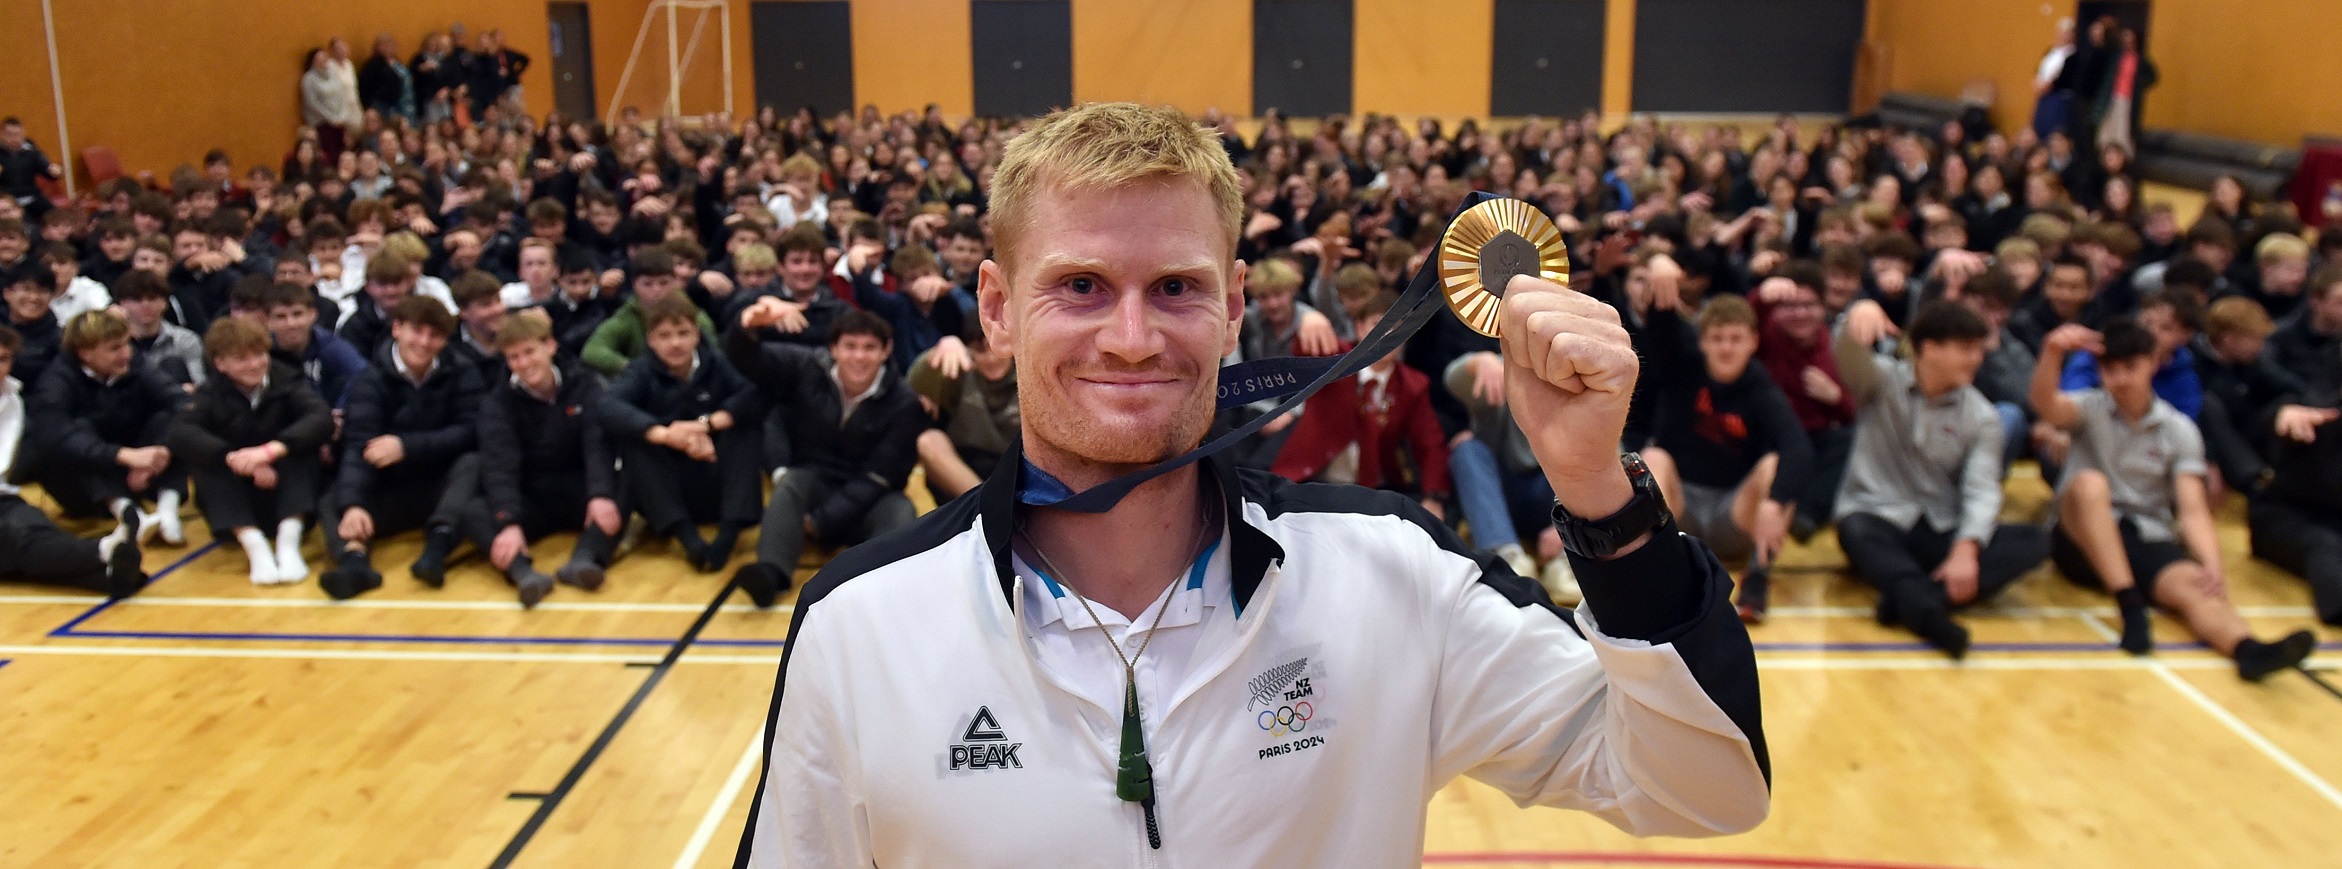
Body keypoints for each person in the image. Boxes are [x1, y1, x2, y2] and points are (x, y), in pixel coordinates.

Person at [734, 102, 1765, 866]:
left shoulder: (1390, 575)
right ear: (996, 310)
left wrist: (1594, 485)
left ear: (1234, 309)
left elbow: (1705, 785)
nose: (1131, 339)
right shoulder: (858, 625)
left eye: (1175, 287)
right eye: (1080, 285)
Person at [2033, 318, 2315, 680]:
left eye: (2130, 368)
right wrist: (2053, 353)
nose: (2119, 380)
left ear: (2153, 362)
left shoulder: (2178, 429)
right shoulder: (2088, 408)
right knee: (2089, 485)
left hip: (2144, 536)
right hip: (2081, 540)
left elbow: (2192, 508)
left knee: (2196, 586)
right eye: (2110, 370)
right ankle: (2130, 605)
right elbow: (2045, 403)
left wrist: (2211, 563)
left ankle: (2248, 650)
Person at [1832, 299, 2050, 657]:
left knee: (2035, 540)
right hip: (1880, 516)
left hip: (1938, 527)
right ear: (1929, 348)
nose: (1976, 359)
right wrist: (1858, 312)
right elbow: (1847, 354)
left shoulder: (1982, 416)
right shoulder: (1880, 382)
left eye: (1978, 349)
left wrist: (1967, 548)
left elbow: (1982, 491)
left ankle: (1908, 598)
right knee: (1855, 528)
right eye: (1966, 349)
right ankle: (1931, 610)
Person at [724, 304, 921, 605]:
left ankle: (881, 587)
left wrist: (822, 521)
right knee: (790, 483)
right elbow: (748, 358)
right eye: (850, 346)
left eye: (869, 348)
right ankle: (771, 572)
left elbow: (882, 474)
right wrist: (746, 324)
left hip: (872, 493)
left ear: (886, 351)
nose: (859, 356)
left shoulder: (904, 400)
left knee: (901, 512)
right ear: (833, 349)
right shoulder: (806, 367)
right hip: (816, 480)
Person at [1639, 292, 1809, 621]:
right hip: (1681, 512)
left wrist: (1776, 500)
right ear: (1702, 342)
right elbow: (1661, 331)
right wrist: (1662, 276)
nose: (1726, 348)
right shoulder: (1683, 368)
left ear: (1753, 342)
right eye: (1717, 338)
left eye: (1735, 339)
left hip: (1733, 514)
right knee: (1654, 456)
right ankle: (1654, 578)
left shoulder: (1760, 386)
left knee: (1776, 467)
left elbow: (1798, 446)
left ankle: (1756, 579)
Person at [319, 297, 486, 600]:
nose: (424, 342)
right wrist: (353, 505)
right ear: (397, 329)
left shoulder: (463, 371)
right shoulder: (369, 380)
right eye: (417, 332)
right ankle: (355, 563)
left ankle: (436, 552)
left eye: (434, 335)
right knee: (333, 499)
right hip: (390, 485)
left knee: (473, 465)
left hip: (441, 485)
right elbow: (358, 445)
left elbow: (471, 431)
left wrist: (407, 446)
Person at [457, 314, 622, 607]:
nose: (524, 363)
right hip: (530, 495)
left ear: (550, 346)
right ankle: (524, 574)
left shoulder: (584, 385)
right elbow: (499, 465)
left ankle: (585, 560)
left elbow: (596, 445)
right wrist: (507, 521)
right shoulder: (497, 404)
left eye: (530, 351)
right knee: (474, 511)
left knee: (622, 486)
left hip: (579, 489)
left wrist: (600, 494)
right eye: (514, 357)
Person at [601, 295, 762, 573]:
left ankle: (728, 534)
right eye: (664, 336)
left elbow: (753, 395)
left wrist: (705, 425)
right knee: (635, 442)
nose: (675, 343)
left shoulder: (717, 362)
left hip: (715, 478)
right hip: (670, 488)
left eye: (683, 333)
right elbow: (608, 406)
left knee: (747, 429)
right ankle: (689, 540)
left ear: (697, 335)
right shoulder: (640, 371)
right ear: (650, 340)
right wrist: (665, 434)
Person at [167, 318, 333, 585]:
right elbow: (180, 433)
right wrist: (233, 458)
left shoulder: (287, 380)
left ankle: (288, 543)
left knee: (303, 451)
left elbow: (320, 417)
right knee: (205, 461)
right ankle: (254, 546)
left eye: (259, 355)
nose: (255, 364)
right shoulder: (210, 393)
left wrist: (271, 451)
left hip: (284, 486)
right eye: (242, 358)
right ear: (220, 364)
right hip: (238, 492)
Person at [0, 324, 146, 597]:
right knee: (19, 538)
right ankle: (103, 551)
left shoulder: (13, 399)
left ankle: (109, 575)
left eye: (3, 359)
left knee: (31, 528)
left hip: (4, 498)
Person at [19, 309, 188, 544]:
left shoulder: (136, 364)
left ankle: (167, 511)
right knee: (77, 431)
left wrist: (160, 453)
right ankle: (129, 514)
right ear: (85, 353)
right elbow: (54, 435)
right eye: (115, 348)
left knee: (171, 420)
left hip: (138, 470)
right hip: (87, 487)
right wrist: (123, 456)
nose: (126, 353)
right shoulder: (55, 381)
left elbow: (180, 401)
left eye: (127, 344)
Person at [908, 319, 1018, 502]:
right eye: (980, 350)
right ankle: (987, 506)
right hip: (967, 472)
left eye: (996, 349)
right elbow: (913, 385)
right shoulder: (958, 371)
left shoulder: (1029, 369)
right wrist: (943, 346)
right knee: (929, 440)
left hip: (1019, 465)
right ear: (968, 350)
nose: (991, 359)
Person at [581, 249, 718, 377]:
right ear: (634, 285)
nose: (656, 290)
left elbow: (714, 356)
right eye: (648, 284)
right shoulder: (629, 315)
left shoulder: (694, 315)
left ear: (675, 282)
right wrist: (632, 368)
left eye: (663, 283)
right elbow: (593, 350)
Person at [111, 271, 204, 387]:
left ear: (165, 303)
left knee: (172, 365)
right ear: (122, 303)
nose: (145, 305)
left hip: (174, 399)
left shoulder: (186, 339)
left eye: (152, 298)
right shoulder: (113, 343)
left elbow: (198, 384)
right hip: (127, 399)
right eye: (137, 299)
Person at [300, 45, 363, 161]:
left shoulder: (333, 74)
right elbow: (312, 103)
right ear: (313, 62)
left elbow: (342, 95)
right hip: (323, 123)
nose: (323, 61)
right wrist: (331, 118)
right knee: (331, 154)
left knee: (344, 150)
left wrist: (342, 116)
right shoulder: (308, 79)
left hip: (340, 121)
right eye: (319, 59)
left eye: (325, 58)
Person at [2, 263, 61, 387]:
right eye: (26, 289)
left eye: (42, 291)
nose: (33, 298)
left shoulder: (59, 339)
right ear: (7, 293)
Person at [0, 118, 64, 223]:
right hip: (7, 200)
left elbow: (49, 172)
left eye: (17, 134)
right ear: (1, 134)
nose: (14, 138)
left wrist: (56, 171)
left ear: (23, 133)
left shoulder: (32, 152)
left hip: (31, 196)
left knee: (56, 218)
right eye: (9, 134)